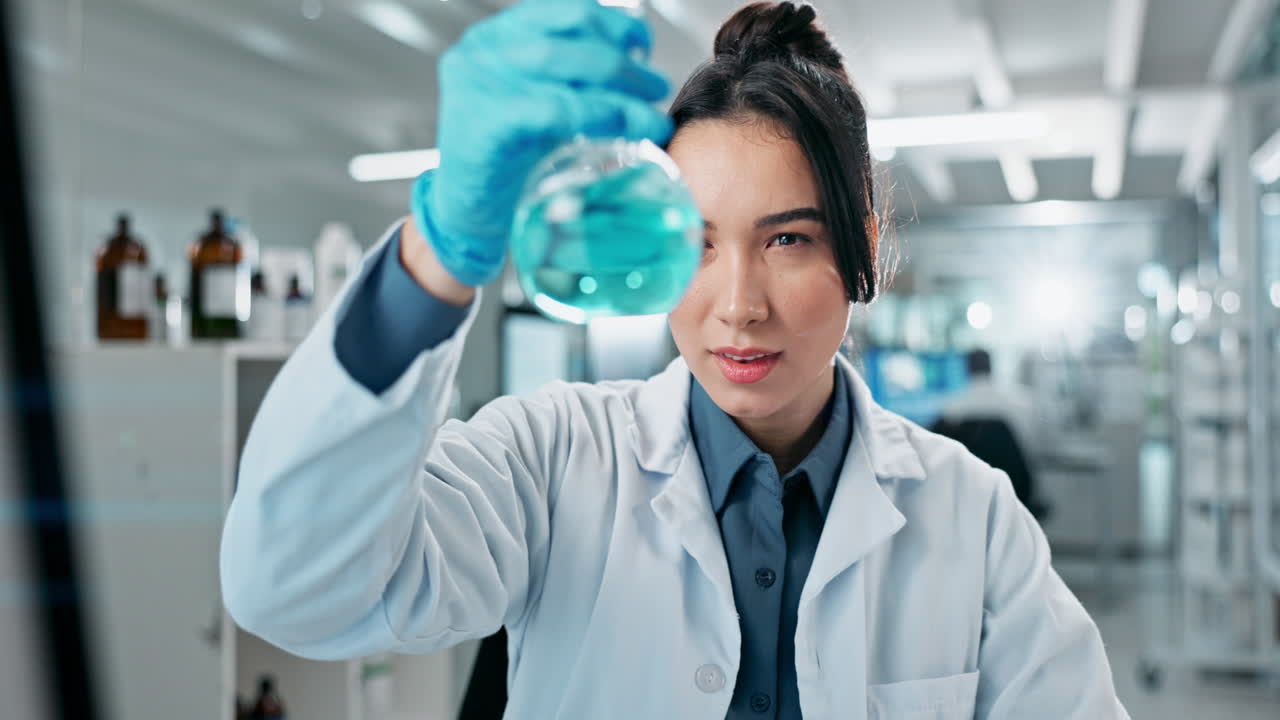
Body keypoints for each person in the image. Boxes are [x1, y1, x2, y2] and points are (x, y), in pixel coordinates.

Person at [220, 1, 1129, 717]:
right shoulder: (549, 460)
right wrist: (436, 254)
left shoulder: (969, 514)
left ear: (863, 244)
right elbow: (294, 587)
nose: (738, 305)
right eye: (694, 243)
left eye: (786, 240)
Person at [934, 349, 1048, 519]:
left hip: (968, 497)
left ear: (967, 369)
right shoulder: (1024, 402)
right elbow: (1038, 450)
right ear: (992, 367)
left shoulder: (950, 409)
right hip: (1017, 494)